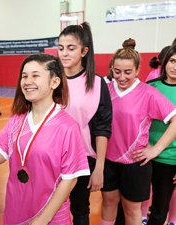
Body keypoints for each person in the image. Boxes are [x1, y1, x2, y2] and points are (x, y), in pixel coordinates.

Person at [0, 54, 90, 225]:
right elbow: (0, 152)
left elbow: (70, 179)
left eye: (35, 75)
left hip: (50, 215)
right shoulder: (17, 120)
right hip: (15, 209)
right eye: (24, 76)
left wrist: (43, 219)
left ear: (55, 82)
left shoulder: (67, 127)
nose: (27, 81)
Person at [101, 47, 176, 225]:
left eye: (128, 72)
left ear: (136, 70)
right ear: (112, 69)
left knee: (132, 209)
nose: (122, 77)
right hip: (108, 161)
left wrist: (156, 149)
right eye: (117, 71)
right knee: (109, 203)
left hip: (135, 163)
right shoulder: (106, 90)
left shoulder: (148, 93)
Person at [58, 23, 112, 225]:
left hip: (82, 160)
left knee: (80, 211)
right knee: (51, 208)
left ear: (84, 51)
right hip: (53, 158)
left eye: (71, 48)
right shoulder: (51, 79)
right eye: (61, 47)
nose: (64, 53)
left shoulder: (97, 84)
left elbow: (102, 129)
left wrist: (99, 168)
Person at [146, 45, 176, 225]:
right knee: (133, 201)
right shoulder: (151, 87)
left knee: (160, 209)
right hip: (145, 156)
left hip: (169, 160)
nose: (175, 66)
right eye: (172, 61)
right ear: (165, 62)